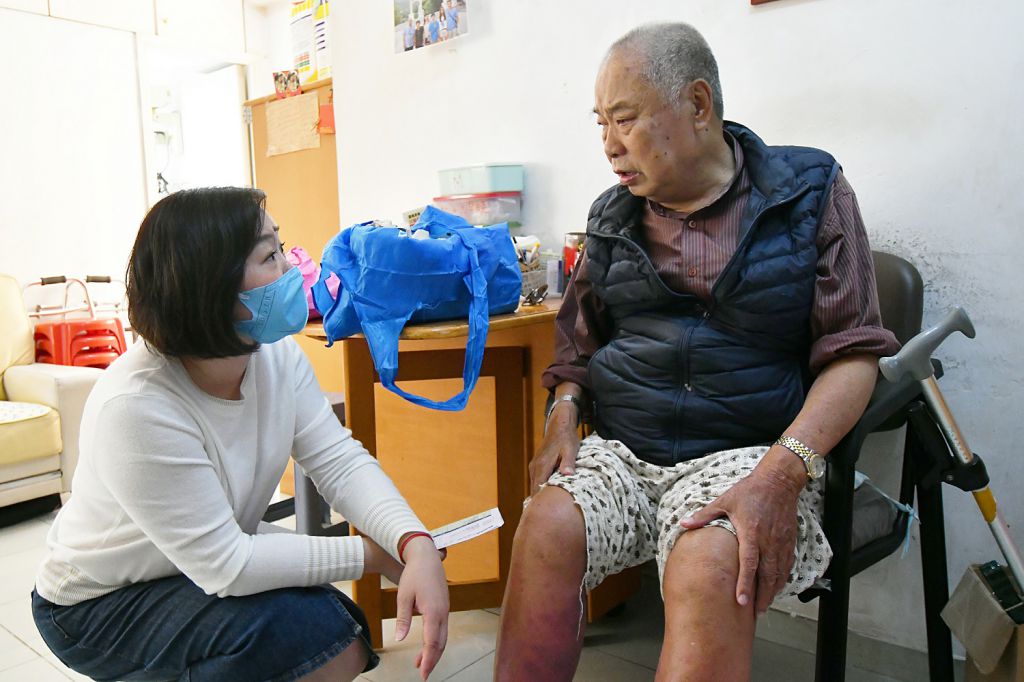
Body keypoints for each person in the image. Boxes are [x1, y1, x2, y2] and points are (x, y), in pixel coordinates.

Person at [494, 22, 899, 681]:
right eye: (600, 123)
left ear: (698, 105)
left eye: (625, 119)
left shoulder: (810, 191)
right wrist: (563, 414)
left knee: (709, 562)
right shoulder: (611, 217)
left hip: (748, 453)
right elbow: (576, 349)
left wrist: (781, 475)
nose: (609, 145)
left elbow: (854, 354)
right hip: (626, 450)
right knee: (545, 526)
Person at [31, 188, 450, 681]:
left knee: (337, 631)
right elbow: (228, 564)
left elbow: (338, 460)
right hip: (97, 601)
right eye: (270, 256)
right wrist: (375, 555)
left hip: (190, 562)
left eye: (281, 248)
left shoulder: (277, 357)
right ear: (209, 285)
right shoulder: (137, 405)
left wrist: (410, 539)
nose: (293, 269)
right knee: (318, 640)